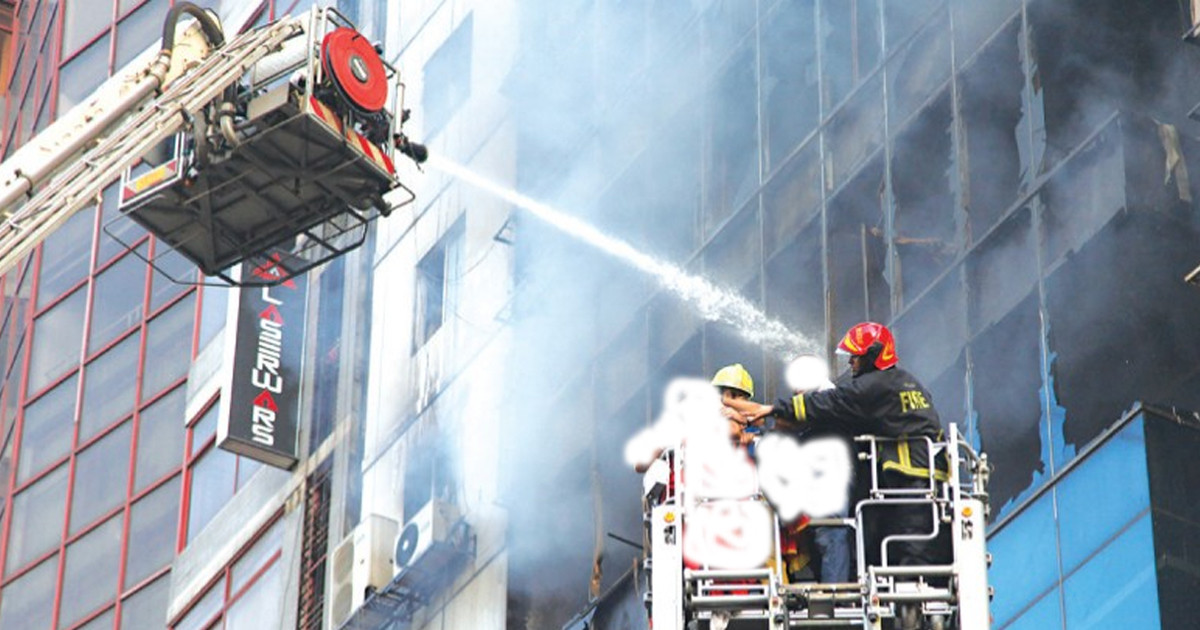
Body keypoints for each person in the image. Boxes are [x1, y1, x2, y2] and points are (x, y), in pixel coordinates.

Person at [724, 323, 950, 576]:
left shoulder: (873, 386)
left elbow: (832, 403)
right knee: (900, 545)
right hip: (922, 478)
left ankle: (901, 598)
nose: (851, 362)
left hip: (911, 479)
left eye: (855, 356)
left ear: (873, 354)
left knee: (909, 546)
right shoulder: (906, 382)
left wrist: (773, 409)